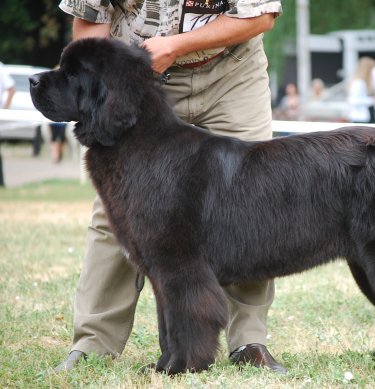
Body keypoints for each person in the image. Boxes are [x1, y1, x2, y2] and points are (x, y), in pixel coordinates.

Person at [52, 0, 287, 374]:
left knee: (248, 198)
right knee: (116, 212)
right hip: (137, 80)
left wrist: (176, 46)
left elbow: (260, 16)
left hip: (230, 71)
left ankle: (248, 341)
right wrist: (98, 78)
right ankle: (94, 344)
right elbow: (90, 23)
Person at [347, 56, 375, 124]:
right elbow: (354, 100)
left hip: (360, 117)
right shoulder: (359, 83)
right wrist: (372, 100)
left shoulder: (360, 82)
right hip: (359, 117)